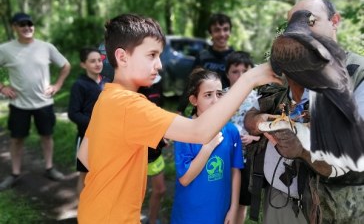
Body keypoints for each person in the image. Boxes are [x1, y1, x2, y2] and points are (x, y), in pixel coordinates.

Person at [76, 13, 281, 224]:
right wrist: (250, 79)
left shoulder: (107, 96)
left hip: (93, 211)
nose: (159, 65)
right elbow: (199, 132)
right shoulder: (129, 104)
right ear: (122, 57)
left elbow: (85, 155)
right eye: (151, 55)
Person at [245, 0, 364, 224]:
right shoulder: (283, 64)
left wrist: (301, 149)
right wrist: (260, 122)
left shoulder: (358, 73)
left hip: (328, 210)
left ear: (334, 21)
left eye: (313, 20)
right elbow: (251, 115)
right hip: (277, 199)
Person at [0, 12, 71, 191]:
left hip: (44, 103)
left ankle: (49, 168)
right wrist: (2, 88)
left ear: (33, 26)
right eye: (22, 24)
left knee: (46, 136)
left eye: (29, 24)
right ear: (14, 27)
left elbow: (65, 65)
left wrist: (57, 85)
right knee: (17, 139)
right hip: (18, 104)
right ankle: (15, 173)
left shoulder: (46, 47)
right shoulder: (5, 49)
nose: (27, 27)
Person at [171, 68, 243, 224]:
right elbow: (185, 179)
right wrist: (208, 147)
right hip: (189, 214)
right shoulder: (183, 131)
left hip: (220, 211)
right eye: (208, 95)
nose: (216, 100)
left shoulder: (230, 131)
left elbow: (235, 171)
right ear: (194, 100)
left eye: (219, 94)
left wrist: (233, 208)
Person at [224, 51, 261, 223]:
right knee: (223, 199)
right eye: (235, 71)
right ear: (227, 74)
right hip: (223, 158)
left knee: (241, 202)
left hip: (247, 160)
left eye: (245, 71)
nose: (240, 76)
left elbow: (267, 131)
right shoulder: (219, 96)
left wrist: (253, 139)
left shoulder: (259, 100)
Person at [177, 13, 234, 115]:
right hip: (203, 110)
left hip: (228, 111)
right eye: (217, 30)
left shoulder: (235, 58)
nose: (222, 34)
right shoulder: (203, 56)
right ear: (210, 33)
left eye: (225, 29)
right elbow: (191, 84)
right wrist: (180, 109)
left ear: (230, 31)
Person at [68, 47, 106, 196]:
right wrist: (95, 124)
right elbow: (73, 113)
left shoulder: (107, 83)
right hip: (86, 139)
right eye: (92, 61)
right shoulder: (79, 85)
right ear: (83, 64)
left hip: (107, 139)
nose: (97, 64)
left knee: (102, 176)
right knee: (85, 176)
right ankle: (83, 215)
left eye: (99, 60)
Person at [139, 75, 167, 224]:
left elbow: (158, 112)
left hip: (154, 148)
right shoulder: (131, 86)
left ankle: (152, 219)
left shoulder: (158, 82)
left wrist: (162, 134)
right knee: (134, 193)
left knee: (160, 189)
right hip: (136, 150)